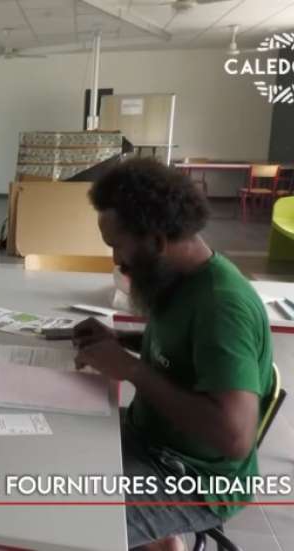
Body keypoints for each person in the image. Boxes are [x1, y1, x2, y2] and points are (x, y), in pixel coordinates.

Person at [73, 158, 274, 551]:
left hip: (195, 479)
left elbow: (234, 436)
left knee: (68, 521)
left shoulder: (222, 306)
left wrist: (131, 369)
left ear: (157, 240)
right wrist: (120, 339)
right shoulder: (180, 278)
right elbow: (180, 347)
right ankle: (165, 544)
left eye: (117, 245)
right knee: (52, 451)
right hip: (151, 440)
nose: (115, 260)